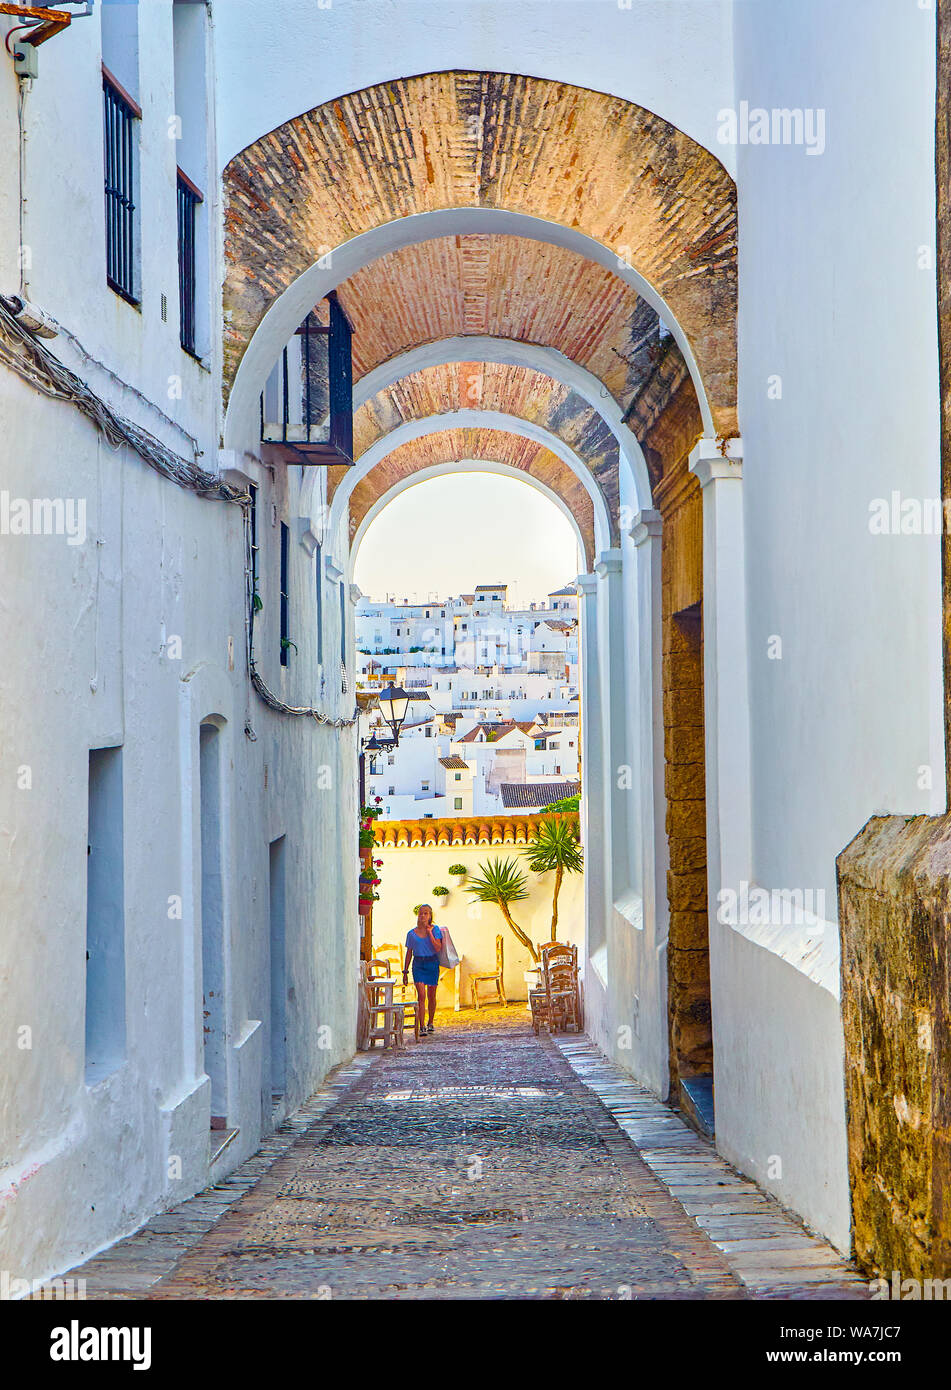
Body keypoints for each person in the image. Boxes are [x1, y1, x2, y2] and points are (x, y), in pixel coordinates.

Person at [404, 904, 442, 1035]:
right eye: (421, 913)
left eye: (426, 913)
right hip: (418, 964)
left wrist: (430, 933)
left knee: (432, 995)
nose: (423, 916)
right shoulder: (411, 934)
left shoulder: (436, 930)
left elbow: (438, 948)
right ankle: (421, 1026)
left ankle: (430, 1022)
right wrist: (405, 971)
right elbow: (409, 952)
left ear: (430, 916)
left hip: (432, 963)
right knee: (421, 995)